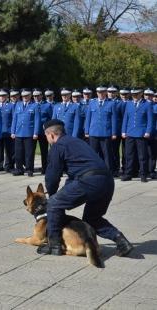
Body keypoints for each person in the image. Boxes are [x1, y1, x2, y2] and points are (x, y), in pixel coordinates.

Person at [37, 119, 133, 257]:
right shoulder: (77, 142)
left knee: (53, 204)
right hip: (107, 181)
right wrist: (62, 194)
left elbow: (52, 176)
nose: (47, 139)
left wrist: (52, 195)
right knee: (92, 218)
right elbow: (75, 174)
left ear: (51, 135)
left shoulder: (57, 147)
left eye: (46, 136)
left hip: (89, 180)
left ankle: (55, 246)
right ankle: (121, 240)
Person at [121, 88, 153, 183]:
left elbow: (150, 120)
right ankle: (129, 173)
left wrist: (148, 131)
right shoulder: (129, 104)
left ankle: (143, 174)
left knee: (142, 155)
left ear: (141, 94)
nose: (134, 96)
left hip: (141, 133)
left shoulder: (147, 104)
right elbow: (125, 118)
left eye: (136, 94)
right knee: (129, 155)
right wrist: (123, 131)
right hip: (130, 133)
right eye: (133, 94)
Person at [85, 85, 117, 171]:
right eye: (99, 92)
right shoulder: (92, 103)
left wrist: (114, 133)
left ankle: (108, 171)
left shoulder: (111, 103)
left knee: (107, 154)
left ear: (106, 92)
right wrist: (87, 131)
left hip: (105, 132)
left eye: (103, 92)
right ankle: (93, 170)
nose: (101, 94)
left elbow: (114, 119)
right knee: (93, 153)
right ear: (97, 93)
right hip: (93, 132)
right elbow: (88, 118)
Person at [11, 88, 40, 177]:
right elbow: (14, 119)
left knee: (29, 153)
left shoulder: (35, 106)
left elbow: (37, 120)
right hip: (19, 133)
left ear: (30, 96)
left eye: (26, 96)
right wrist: (13, 131)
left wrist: (35, 132)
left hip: (29, 133)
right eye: (23, 96)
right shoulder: (18, 105)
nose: (25, 97)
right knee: (18, 152)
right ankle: (19, 169)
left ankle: (29, 169)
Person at [34, 88, 52, 174]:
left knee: (44, 151)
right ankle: (29, 167)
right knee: (29, 151)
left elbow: (51, 118)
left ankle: (45, 168)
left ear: (41, 96)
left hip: (43, 132)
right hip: (32, 132)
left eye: (38, 95)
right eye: (34, 96)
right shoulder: (31, 105)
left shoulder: (47, 105)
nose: (36, 97)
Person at [108, 85, 125, 177]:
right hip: (106, 130)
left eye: (113, 92)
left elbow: (123, 118)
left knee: (115, 151)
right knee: (107, 151)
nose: (111, 93)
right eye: (110, 92)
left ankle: (116, 169)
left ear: (117, 93)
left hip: (117, 130)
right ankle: (109, 168)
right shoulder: (105, 102)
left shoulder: (120, 103)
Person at [0, 88, 15, 172]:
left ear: (7, 96)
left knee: (9, 150)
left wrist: (13, 131)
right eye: (0, 96)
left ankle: (8, 166)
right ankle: (0, 165)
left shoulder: (11, 106)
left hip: (8, 131)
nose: (2, 97)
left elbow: (13, 119)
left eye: (3, 95)